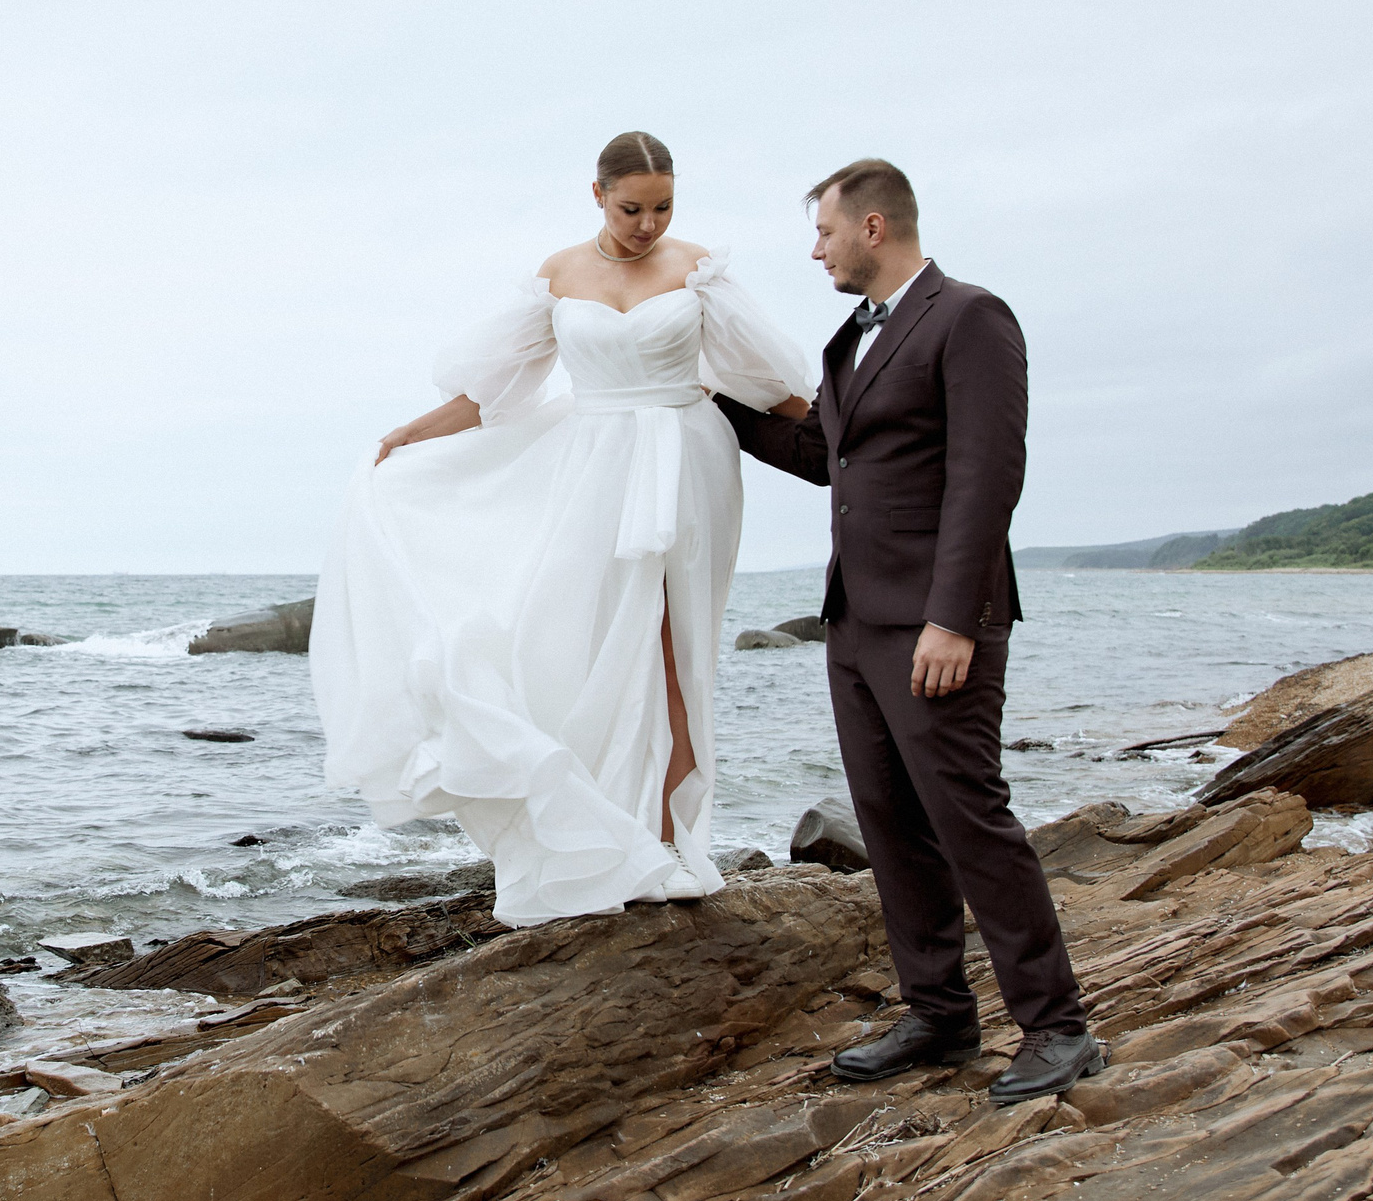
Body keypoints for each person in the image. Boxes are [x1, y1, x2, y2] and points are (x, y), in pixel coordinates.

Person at [313, 132, 814, 927]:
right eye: (631, 208)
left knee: (676, 651)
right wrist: (414, 433)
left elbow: (772, 382)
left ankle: (677, 841)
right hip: (591, 468)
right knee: (581, 645)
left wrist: (851, 422)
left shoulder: (700, 269)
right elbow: (493, 392)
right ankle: (600, 832)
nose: (648, 224)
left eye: (663, 206)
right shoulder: (560, 273)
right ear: (596, 195)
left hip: (687, 463)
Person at [713, 159, 1099, 1105]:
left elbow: (986, 475)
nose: (816, 250)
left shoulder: (970, 317)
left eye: (825, 233)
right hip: (853, 622)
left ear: (874, 227)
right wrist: (707, 405)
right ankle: (939, 1012)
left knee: (970, 817)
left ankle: (1056, 1026)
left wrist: (953, 619)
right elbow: (822, 456)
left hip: (935, 625)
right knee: (889, 823)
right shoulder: (849, 341)